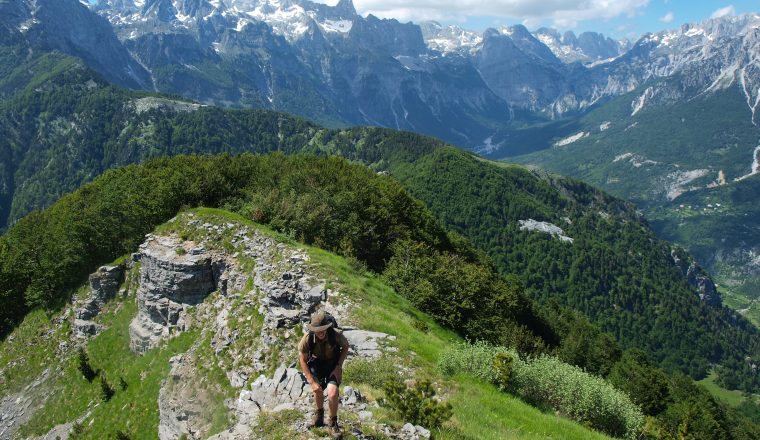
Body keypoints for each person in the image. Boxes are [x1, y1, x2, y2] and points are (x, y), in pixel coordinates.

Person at [298, 310, 349, 438]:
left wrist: (338, 366)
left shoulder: (335, 335)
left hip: (333, 366)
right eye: (317, 330)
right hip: (317, 365)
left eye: (322, 329)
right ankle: (319, 417)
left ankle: (332, 423)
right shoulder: (307, 339)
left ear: (326, 328)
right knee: (317, 390)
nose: (320, 332)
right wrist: (311, 381)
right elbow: (302, 360)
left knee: (332, 393)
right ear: (313, 329)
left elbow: (346, 346)